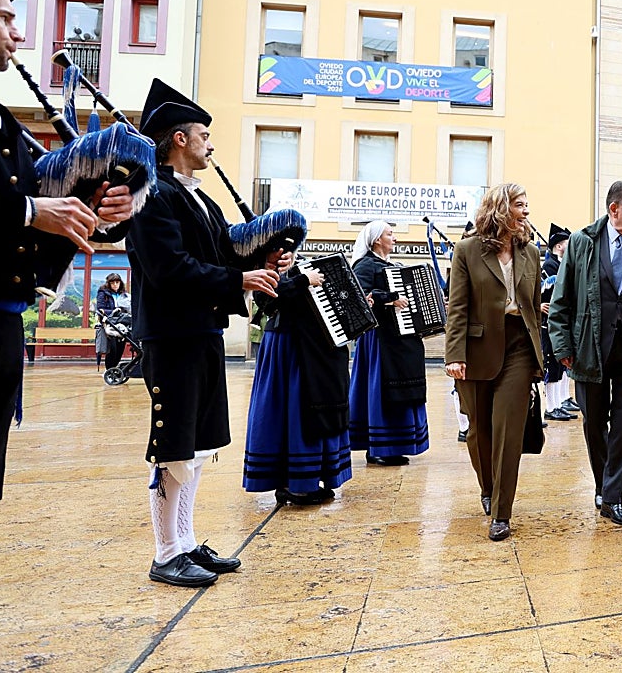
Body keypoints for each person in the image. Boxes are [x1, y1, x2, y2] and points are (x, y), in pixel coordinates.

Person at [127, 78, 282, 587]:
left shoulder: (201, 201)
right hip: (171, 336)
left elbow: (220, 255)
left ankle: (187, 542)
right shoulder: (151, 196)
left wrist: (262, 257)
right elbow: (169, 268)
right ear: (178, 139)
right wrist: (239, 278)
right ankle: (165, 552)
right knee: (173, 446)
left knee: (194, 448)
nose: (210, 145)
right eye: (203, 135)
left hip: (201, 332)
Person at [0, 0, 134, 504]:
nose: (19, 32)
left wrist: (99, 211)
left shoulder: (5, 122)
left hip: (0, 332)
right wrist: (32, 209)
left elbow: (48, 220)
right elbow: (27, 209)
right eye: (6, 18)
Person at [548, 180, 622, 526]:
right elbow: (562, 300)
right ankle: (603, 485)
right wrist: (562, 347)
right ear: (613, 209)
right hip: (590, 348)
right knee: (594, 422)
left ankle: (613, 496)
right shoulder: (582, 243)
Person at [445, 183, 544, 541]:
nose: (526, 212)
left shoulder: (530, 253)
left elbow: (532, 308)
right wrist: (454, 354)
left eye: (527, 205)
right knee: (479, 432)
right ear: (501, 208)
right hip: (476, 350)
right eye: (520, 205)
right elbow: (456, 307)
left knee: (508, 431)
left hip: (518, 347)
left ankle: (501, 512)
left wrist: (538, 357)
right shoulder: (467, 250)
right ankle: (488, 487)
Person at [242, 261, 352, 506]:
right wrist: (303, 281)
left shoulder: (299, 265)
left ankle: (307, 481)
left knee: (311, 410)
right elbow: (267, 301)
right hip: (287, 345)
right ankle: (293, 485)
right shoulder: (266, 266)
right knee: (291, 412)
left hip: (313, 348)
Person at [349, 221, 429, 466]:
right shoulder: (365, 266)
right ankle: (378, 447)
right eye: (390, 234)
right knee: (381, 389)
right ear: (376, 240)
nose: (394, 238)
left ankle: (396, 445)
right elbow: (358, 295)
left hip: (400, 339)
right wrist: (389, 298)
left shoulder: (392, 267)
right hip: (379, 340)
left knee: (403, 387)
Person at [540, 224, 575, 423]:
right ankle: (551, 406)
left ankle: (560, 402)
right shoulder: (549, 267)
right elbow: (543, 294)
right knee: (552, 365)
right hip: (549, 324)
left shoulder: (559, 265)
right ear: (559, 246)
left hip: (559, 323)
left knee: (560, 366)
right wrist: (539, 304)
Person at [95, 273, 130, 370]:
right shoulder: (103, 293)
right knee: (112, 349)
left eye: (117, 282)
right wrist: (116, 311)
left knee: (120, 347)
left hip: (122, 324)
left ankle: (113, 369)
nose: (115, 284)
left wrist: (120, 311)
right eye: (112, 282)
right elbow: (100, 309)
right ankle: (109, 369)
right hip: (109, 324)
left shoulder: (123, 294)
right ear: (109, 283)